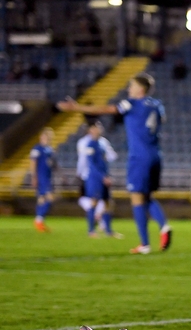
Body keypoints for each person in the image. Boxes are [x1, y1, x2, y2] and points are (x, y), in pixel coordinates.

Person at [57, 73, 172, 254]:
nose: (128, 89)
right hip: (156, 156)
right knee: (147, 196)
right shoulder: (157, 105)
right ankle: (164, 227)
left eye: (131, 86)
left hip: (139, 157)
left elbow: (107, 109)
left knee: (136, 197)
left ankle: (145, 244)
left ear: (140, 90)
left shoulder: (131, 103)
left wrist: (76, 107)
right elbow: (160, 120)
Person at [81, 121, 122, 238]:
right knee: (93, 202)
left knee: (108, 203)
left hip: (104, 177)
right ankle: (91, 231)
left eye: (99, 127)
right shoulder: (90, 145)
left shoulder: (101, 144)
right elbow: (91, 165)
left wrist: (106, 175)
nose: (99, 129)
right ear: (91, 130)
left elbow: (104, 162)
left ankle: (108, 231)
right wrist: (102, 177)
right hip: (94, 179)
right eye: (96, 127)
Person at [30, 127, 56, 232]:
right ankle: (38, 220)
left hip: (48, 177)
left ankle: (40, 222)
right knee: (50, 198)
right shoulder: (37, 149)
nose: (46, 138)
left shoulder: (49, 149)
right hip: (41, 177)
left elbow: (52, 164)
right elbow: (33, 163)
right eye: (45, 136)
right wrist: (34, 177)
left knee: (41, 200)